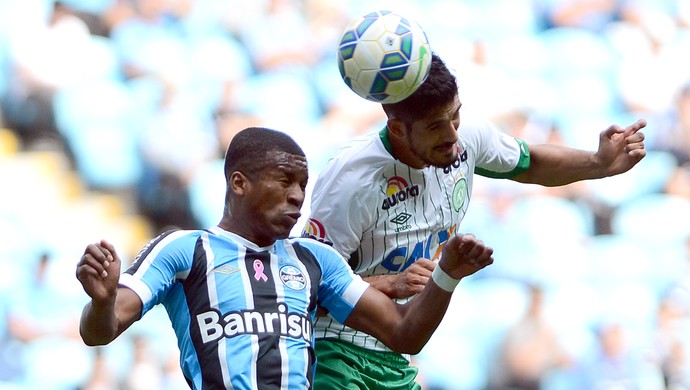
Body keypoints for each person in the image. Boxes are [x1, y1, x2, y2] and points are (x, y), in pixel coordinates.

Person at [302, 52, 647, 388]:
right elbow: (302, 289)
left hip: (397, 356)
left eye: (456, 117)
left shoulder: (466, 141)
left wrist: (597, 164)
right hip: (337, 353)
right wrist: (390, 284)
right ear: (398, 128)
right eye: (436, 126)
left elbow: (531, 163)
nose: (452, 135)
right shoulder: (349, 181)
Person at [75, 126, 494, 389]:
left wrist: (447, 275)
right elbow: (100, 332)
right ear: (239, 183)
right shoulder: (185, 249)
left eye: (304, 184)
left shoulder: (315, 261)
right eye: (284, 181)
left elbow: (405, 335)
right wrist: (103, 300)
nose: (298, 196)